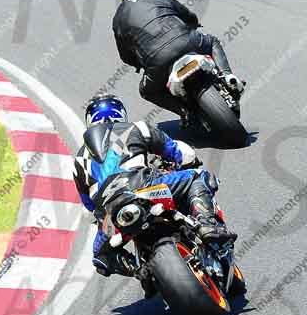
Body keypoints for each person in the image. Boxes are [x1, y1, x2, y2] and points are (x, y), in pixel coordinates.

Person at [73, 95, 237, 281]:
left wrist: (102, 218)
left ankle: (139, 270)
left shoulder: (79, 160)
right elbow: (178, 152)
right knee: (197, 177)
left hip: (110, 215)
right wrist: (187, 162)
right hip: (144, 187)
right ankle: (207, 224)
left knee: (101, 256)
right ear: (120, 114)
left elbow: (88, 205)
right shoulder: (136, 127)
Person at [112, 0, 245, 126]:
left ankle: (184, 112)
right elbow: (187, 15)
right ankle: (227, 77)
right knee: (213, 41)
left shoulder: (118, 19)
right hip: (188, 41)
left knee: (146, 91)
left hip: (157, 60)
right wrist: (194, 23)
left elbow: (125, 56)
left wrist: (137, 64)